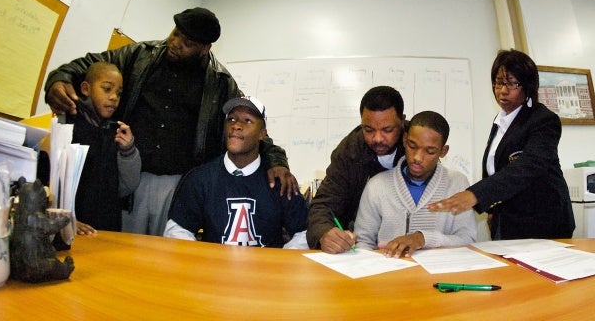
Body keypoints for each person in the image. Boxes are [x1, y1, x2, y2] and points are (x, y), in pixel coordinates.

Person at [44, 7, 298, 236]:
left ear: (205, 48)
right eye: (175, 32)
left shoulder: (220, 82)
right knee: (119, 245)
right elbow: (90, 64)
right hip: (128, 175)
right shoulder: (139, 55)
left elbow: (245, 126)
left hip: (177, 184)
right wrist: (59, 78)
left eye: (186, 42)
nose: (174, 43)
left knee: (163, 253)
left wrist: (276, 161)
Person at [428, 49, 575, 240]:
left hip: (544, 221)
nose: (503, 91)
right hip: (509, 221)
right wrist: (492, 210)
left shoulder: (544, 120)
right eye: (499, 83)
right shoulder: (501, 120)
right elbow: (497, 169)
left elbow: (527, 166)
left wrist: (476, 194)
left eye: (512, 84)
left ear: (528, 86)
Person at [164, 96, 307, 247]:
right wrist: (200, 262)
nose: (236, 125)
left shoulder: (280, 181)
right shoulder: (201, 178)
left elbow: (304, 233)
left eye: (248, 120)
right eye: (231, 119)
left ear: (262, 134)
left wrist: (279, 265)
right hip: (214, 268)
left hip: (266, 269)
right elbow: (177, 230)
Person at [355, 111, 476, 257]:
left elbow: (467, 240)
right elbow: (363, 242)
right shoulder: (377, 185)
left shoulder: (457, 183)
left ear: (443, 151)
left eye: (430, 151)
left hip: (438, 274)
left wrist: (423, 239)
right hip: (389, 273)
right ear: (405, 140)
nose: (417, 158)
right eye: (412, 146)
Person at [307, 86, 406, 253]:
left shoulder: (417, 144)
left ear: (402, 121)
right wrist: (324, 233)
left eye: (387, 130)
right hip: (358, 248)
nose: (377, 138)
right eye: (368, 130)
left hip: (406, 248)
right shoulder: (349, 151)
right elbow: (323, 205)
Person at [67, 62, 141, 234]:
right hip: (72, 229)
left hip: (107, 230)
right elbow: (53, 185)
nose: (114, 97)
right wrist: (65, 218)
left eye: (119, 93)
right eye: (107, 89)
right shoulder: (68, 128)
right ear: (86, 89)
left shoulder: (115, 132)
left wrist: (128, 151)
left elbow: (126, 187)